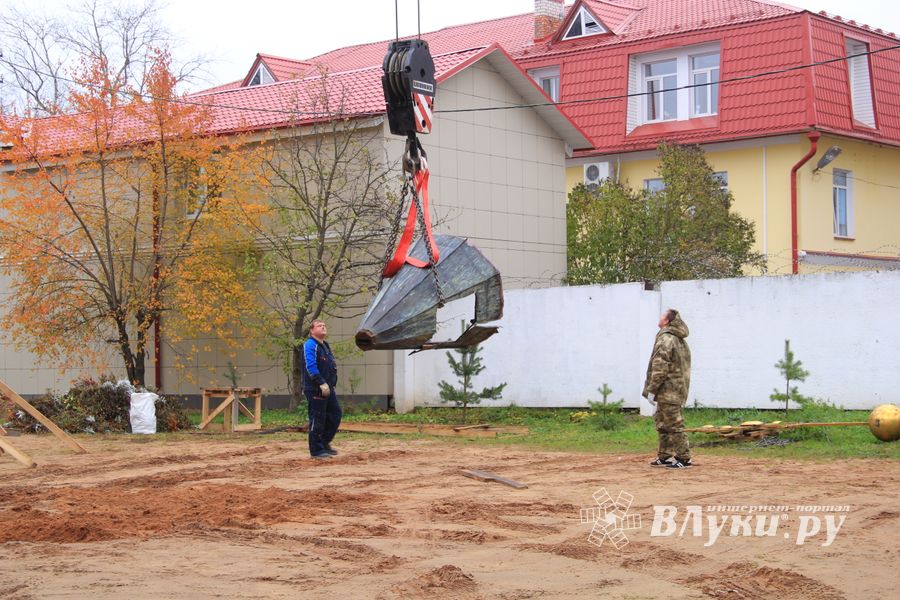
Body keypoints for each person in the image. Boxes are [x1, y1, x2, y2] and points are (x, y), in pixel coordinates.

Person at [642, 308, 692, 469]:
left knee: (674, 423)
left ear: (667, 321)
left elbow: (660, 366)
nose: (660, 317)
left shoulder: (666, 339)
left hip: (668, 390)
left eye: (662, 315)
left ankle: (684, 458)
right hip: (674, 388)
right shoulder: (678, 339)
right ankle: (664, 455)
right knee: (662, 423)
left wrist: (652, 389)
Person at [303, 319, 342, 459]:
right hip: (316, 388)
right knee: (318, 418)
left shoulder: (324, 345)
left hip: (328, 388)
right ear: (312, 330)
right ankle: (316, 450)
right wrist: (320, 382)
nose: (323, 327)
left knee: (335, 414)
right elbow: (310, 366)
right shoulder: (310, 345)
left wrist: (331, 383)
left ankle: (324, 443)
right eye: (320, 326)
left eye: (324, 325)